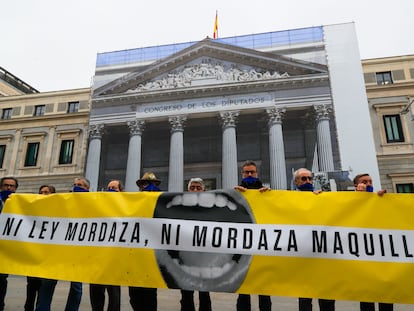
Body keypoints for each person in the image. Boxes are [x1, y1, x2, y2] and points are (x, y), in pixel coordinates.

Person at [35, 177, 89, 311]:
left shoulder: (92, 204)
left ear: (87, 189)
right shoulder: (63, 200)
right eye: (75, 184)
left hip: (78, 252)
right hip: (57, 250)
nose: (76, 187)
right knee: (48, 284)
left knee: (76, 287)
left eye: (80, 185)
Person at [294, 168, 335, 311]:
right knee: (305, 298)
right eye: (304, 179)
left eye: (310, 179)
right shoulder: (288, 199)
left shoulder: (322, 198)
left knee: (327, 298)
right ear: (296, 182)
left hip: (323, 255)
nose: (308, 181)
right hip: (303, 256)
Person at [234, 161, 271, 311]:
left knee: (264, 293)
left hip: (262, 248)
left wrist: (270, 196)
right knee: (243, 291)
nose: (249, 175)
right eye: (246, 172)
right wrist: (233, 195)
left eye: (252, 172)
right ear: (242, 174)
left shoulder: (267, 193)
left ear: (257, 173)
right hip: (244, 248)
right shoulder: (236, 193)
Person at [353, 174, 393, 311]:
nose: (369, 184)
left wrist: (385, 201)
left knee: (386, 297)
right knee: (366, 299)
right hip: (362, 260)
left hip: (383, 258)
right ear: (356, 186)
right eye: (364, 182)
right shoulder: (348, 203)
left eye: (370, 181)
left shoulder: (379, 200)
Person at [89, 180, 123, 311]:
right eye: (108, 187)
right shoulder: (98, 206)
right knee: (96, 291)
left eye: (113, 188)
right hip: (97, 257)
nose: (110, 190)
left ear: (121, 191)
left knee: (113, 292)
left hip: (114, 257)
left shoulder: (126, 207)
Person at [128, 172, 160, 311]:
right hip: (134, 256)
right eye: (144, 184)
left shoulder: (161, 202)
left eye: (150, 184)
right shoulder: (132, 202)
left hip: (150, 257)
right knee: (134, 296)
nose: (147, 187)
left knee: (149, 295)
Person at [179, 178, 212, 311]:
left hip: (204, 257)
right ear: (188, 190)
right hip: (186, 257)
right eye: (192, 187)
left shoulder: (211, 208)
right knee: (186, 292)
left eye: (198, 187)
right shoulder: (180, 208)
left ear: (204, 189)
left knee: (204, 293)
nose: (195, 190)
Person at [24, 185, 56, 311]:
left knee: (45, 292)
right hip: (34, 257)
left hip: (50, 259)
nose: (43, 194)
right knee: (31, 289)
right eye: (41, 192)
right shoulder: (33, 209)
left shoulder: (58, 210)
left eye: (46, 192)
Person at [0, 176, 18, 311]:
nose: (9, 188)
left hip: (5, 250)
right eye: (6, 185)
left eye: (12, 186)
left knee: (1, 280)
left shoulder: (19, 205)